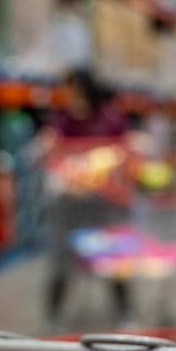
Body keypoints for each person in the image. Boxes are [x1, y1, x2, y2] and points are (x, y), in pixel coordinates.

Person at [44, 70, 134, 326]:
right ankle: (53, 316)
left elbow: (125, 148)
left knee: (113, 255)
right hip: (69, 200)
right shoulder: (61, 119)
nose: (67, 95)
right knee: (62, 257)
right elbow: (51, 148)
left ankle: (124, 312)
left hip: (104, 200)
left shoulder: (110, 118)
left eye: (70, 89)